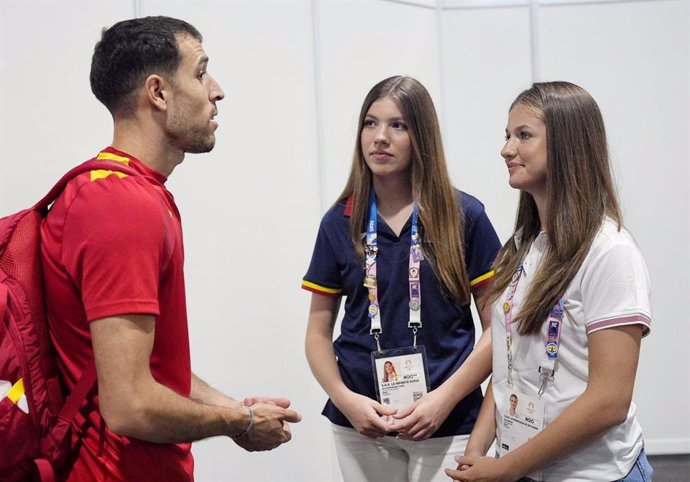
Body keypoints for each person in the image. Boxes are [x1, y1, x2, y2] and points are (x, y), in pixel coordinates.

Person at [40, 16, 301, 482]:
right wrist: (237, 423)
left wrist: (231, 406)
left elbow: (148, 366)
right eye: (201, 73)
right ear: (158, 92)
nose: (216, 91)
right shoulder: (120, 205)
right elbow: (131, 405)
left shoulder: (118, 190)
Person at [445, 81, 653, 482]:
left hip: (592, 474)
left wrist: (505, 469)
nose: (507, 149)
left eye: (524, 135)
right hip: (524, 468)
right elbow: (509, 365)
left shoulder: (610, 252)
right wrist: (476, 450)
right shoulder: (521, 246)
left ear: (567, 145)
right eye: (507, 136)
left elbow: (609, 401)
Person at [303, 75, 501, 482]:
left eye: (398, 125)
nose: (380, 138)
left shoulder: (465, 216)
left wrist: (444, 400)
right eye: (370, 123)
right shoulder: (340, 221)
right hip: (361, 420)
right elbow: (317, 333)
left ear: (422, 136)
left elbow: (499, 327)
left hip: (446, 418)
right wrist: (345, 399)